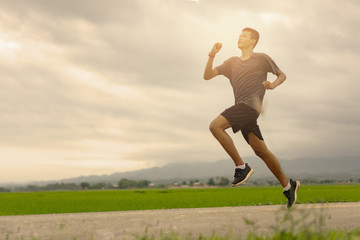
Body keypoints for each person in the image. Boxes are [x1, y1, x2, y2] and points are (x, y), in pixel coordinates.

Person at [203, 27, 300, 208]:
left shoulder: (262, 58)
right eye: (239, 35)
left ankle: (241, 167)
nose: (239, 38)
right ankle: (289, 186)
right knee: (261, 151)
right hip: (245, 111)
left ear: (252, 41)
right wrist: (211, 55)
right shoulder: (231, 62)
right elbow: (207, 76)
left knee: (215, 126)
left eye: (244, 36)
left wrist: (273, 85)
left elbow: (282, 74)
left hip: (249, 107)